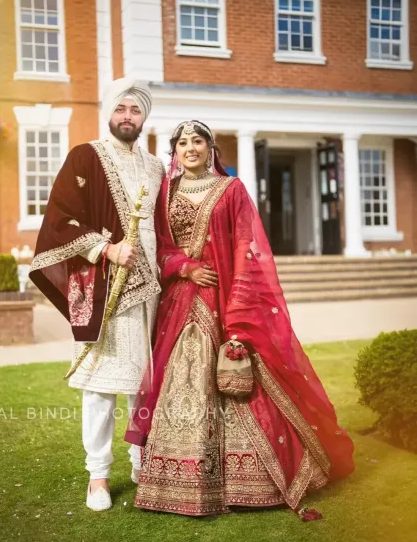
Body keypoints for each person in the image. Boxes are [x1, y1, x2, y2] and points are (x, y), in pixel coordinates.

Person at [125, 120, 354, 518]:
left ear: (211, 149)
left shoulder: (231, 190)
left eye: (198, 141)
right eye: (183, 142)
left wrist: (239, 316)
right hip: (181, 302)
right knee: (182, 381)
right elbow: (159, 247)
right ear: (174, 152)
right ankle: (178, 481)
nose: (190, 148)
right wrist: (184, 267)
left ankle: (249, 481)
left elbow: (248, 250)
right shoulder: (165, 193)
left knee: (238, 381)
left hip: (224, 296)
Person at [29, 78, 165, 512]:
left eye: (136, 110)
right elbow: (60, 219)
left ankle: (143, 464)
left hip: (153, 292)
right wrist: (106, 248)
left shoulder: (156, 167)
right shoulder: (86, 156)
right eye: (121, 108)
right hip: (109, 288)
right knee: (103, 386)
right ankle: (98, 476)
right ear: (110, 111)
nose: (128, 116)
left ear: (144, 117)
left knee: (146, 386)